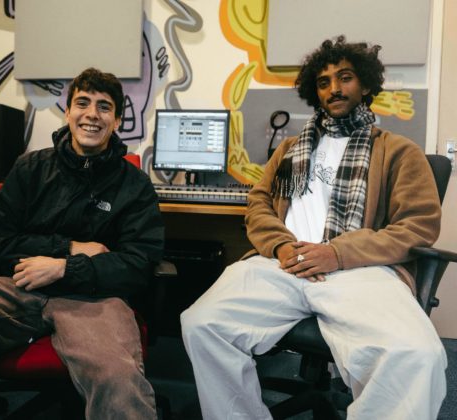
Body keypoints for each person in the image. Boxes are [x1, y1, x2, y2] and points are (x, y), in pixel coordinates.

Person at [181, 36, 447, 420]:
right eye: (324, 82)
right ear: (314, 92)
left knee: (418, 355)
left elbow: (418, 225)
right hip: (281, 266)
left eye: (345, 77)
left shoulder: (399, 151)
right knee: (201, 324)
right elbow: (258, 204)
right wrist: (281, 247)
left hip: (358, 270)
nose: (334, 88)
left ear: (367, 85)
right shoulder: (290, 149)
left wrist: (337, 253)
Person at [0, 68, 164, 419]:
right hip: (21, 285)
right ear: (68, 112)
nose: (91, 114)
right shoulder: (29, 169)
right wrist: (70, 248)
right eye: (82, 103)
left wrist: (64, 268)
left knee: (118, 380)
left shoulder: (135, 186)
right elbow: (0, 247)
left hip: (95, 297)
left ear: (116, 120)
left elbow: (137, 264)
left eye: (104, 107)